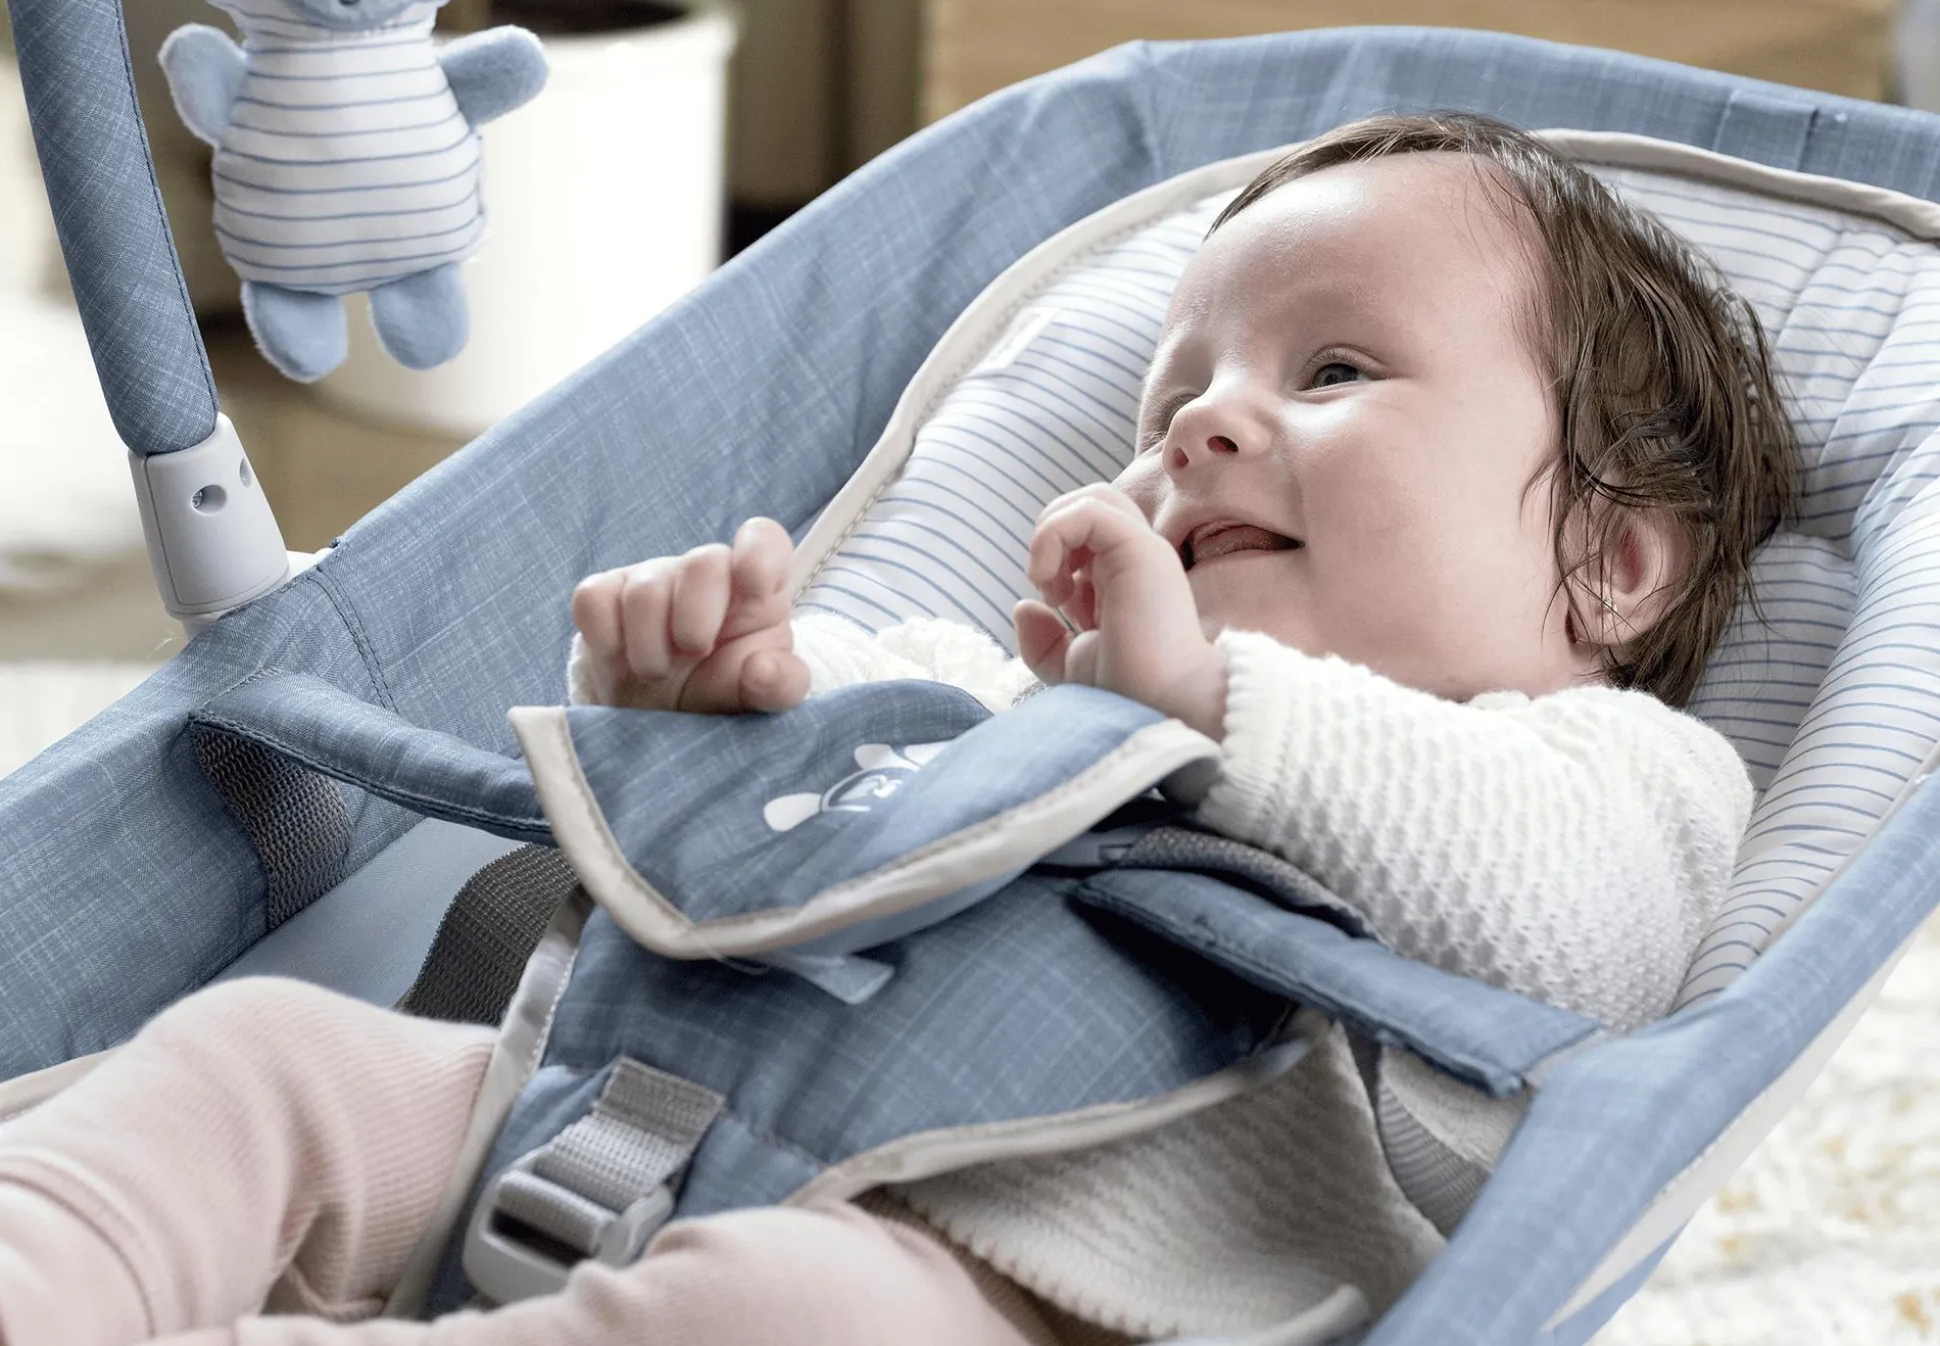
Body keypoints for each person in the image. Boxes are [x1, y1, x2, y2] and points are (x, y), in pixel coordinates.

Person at [0, 115, 1797, 1346]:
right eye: (1172, 400)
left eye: (1333, 374)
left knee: (794, 1319)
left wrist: (1204, 706)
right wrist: (707, 708)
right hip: (607, 1094)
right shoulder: (996, 680)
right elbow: (790, 783)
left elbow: (1579, 932)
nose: (1201, 429)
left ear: (1614, 563)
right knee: (258, 1061)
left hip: (1022, 1260)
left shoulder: (1617, 773)